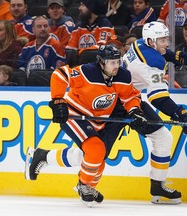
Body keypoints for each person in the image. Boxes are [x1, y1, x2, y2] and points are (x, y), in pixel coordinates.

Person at [24, 44, 147, 207]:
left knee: (98, 158)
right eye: (112, 63)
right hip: (75, 114)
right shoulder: (87, 72)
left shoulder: (123, 75)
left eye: (118, 62)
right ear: (101, 62)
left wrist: (135, 112)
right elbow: (60, 75)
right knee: (96, 150)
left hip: (98, 120)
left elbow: (129, 96)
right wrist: (58, 100)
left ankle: (44, 157)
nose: (116, 66)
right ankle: (84, 186)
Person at [121, 21, 187, 203]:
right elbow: (158, 98)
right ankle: (46, 156)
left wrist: (177, 57)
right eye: (162, 40)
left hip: (129, 98)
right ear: (151, 41)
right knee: (97, 148)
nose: (166, 44)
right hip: (120, 104)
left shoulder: (139, 42)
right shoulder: (152, 63)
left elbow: (161, 52)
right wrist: (181, 114)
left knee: (163, 138)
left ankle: (157, 184)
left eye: (166, 39)